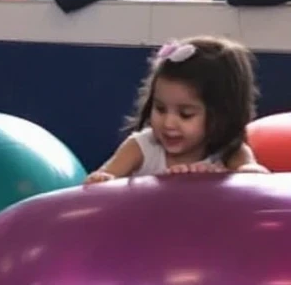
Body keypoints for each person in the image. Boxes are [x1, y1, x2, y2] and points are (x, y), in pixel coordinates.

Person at [86, 36, 268, 183]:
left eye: (185, 114)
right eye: (160, 109)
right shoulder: (141, 147)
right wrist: (103, 179)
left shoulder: (231, 153)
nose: (168, 123)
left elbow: (256, 181)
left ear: (222, 114)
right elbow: (99, 182)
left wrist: (226, 177)